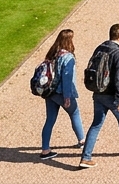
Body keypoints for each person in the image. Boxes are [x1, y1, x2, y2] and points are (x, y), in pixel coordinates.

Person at [79, 23, 119, 168]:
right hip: (112, 95)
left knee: (96, 125)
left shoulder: (100, 48)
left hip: (98, 93)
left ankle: (85, 157)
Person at [39, 29, 84, 160]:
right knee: (75, 113)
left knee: (50, 120)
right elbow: (67, 78)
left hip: (50, 92)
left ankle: (45, 150)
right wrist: (67, 97)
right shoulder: (68, 57)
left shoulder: (52, 54)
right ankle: (82, 141)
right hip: (61, 93)